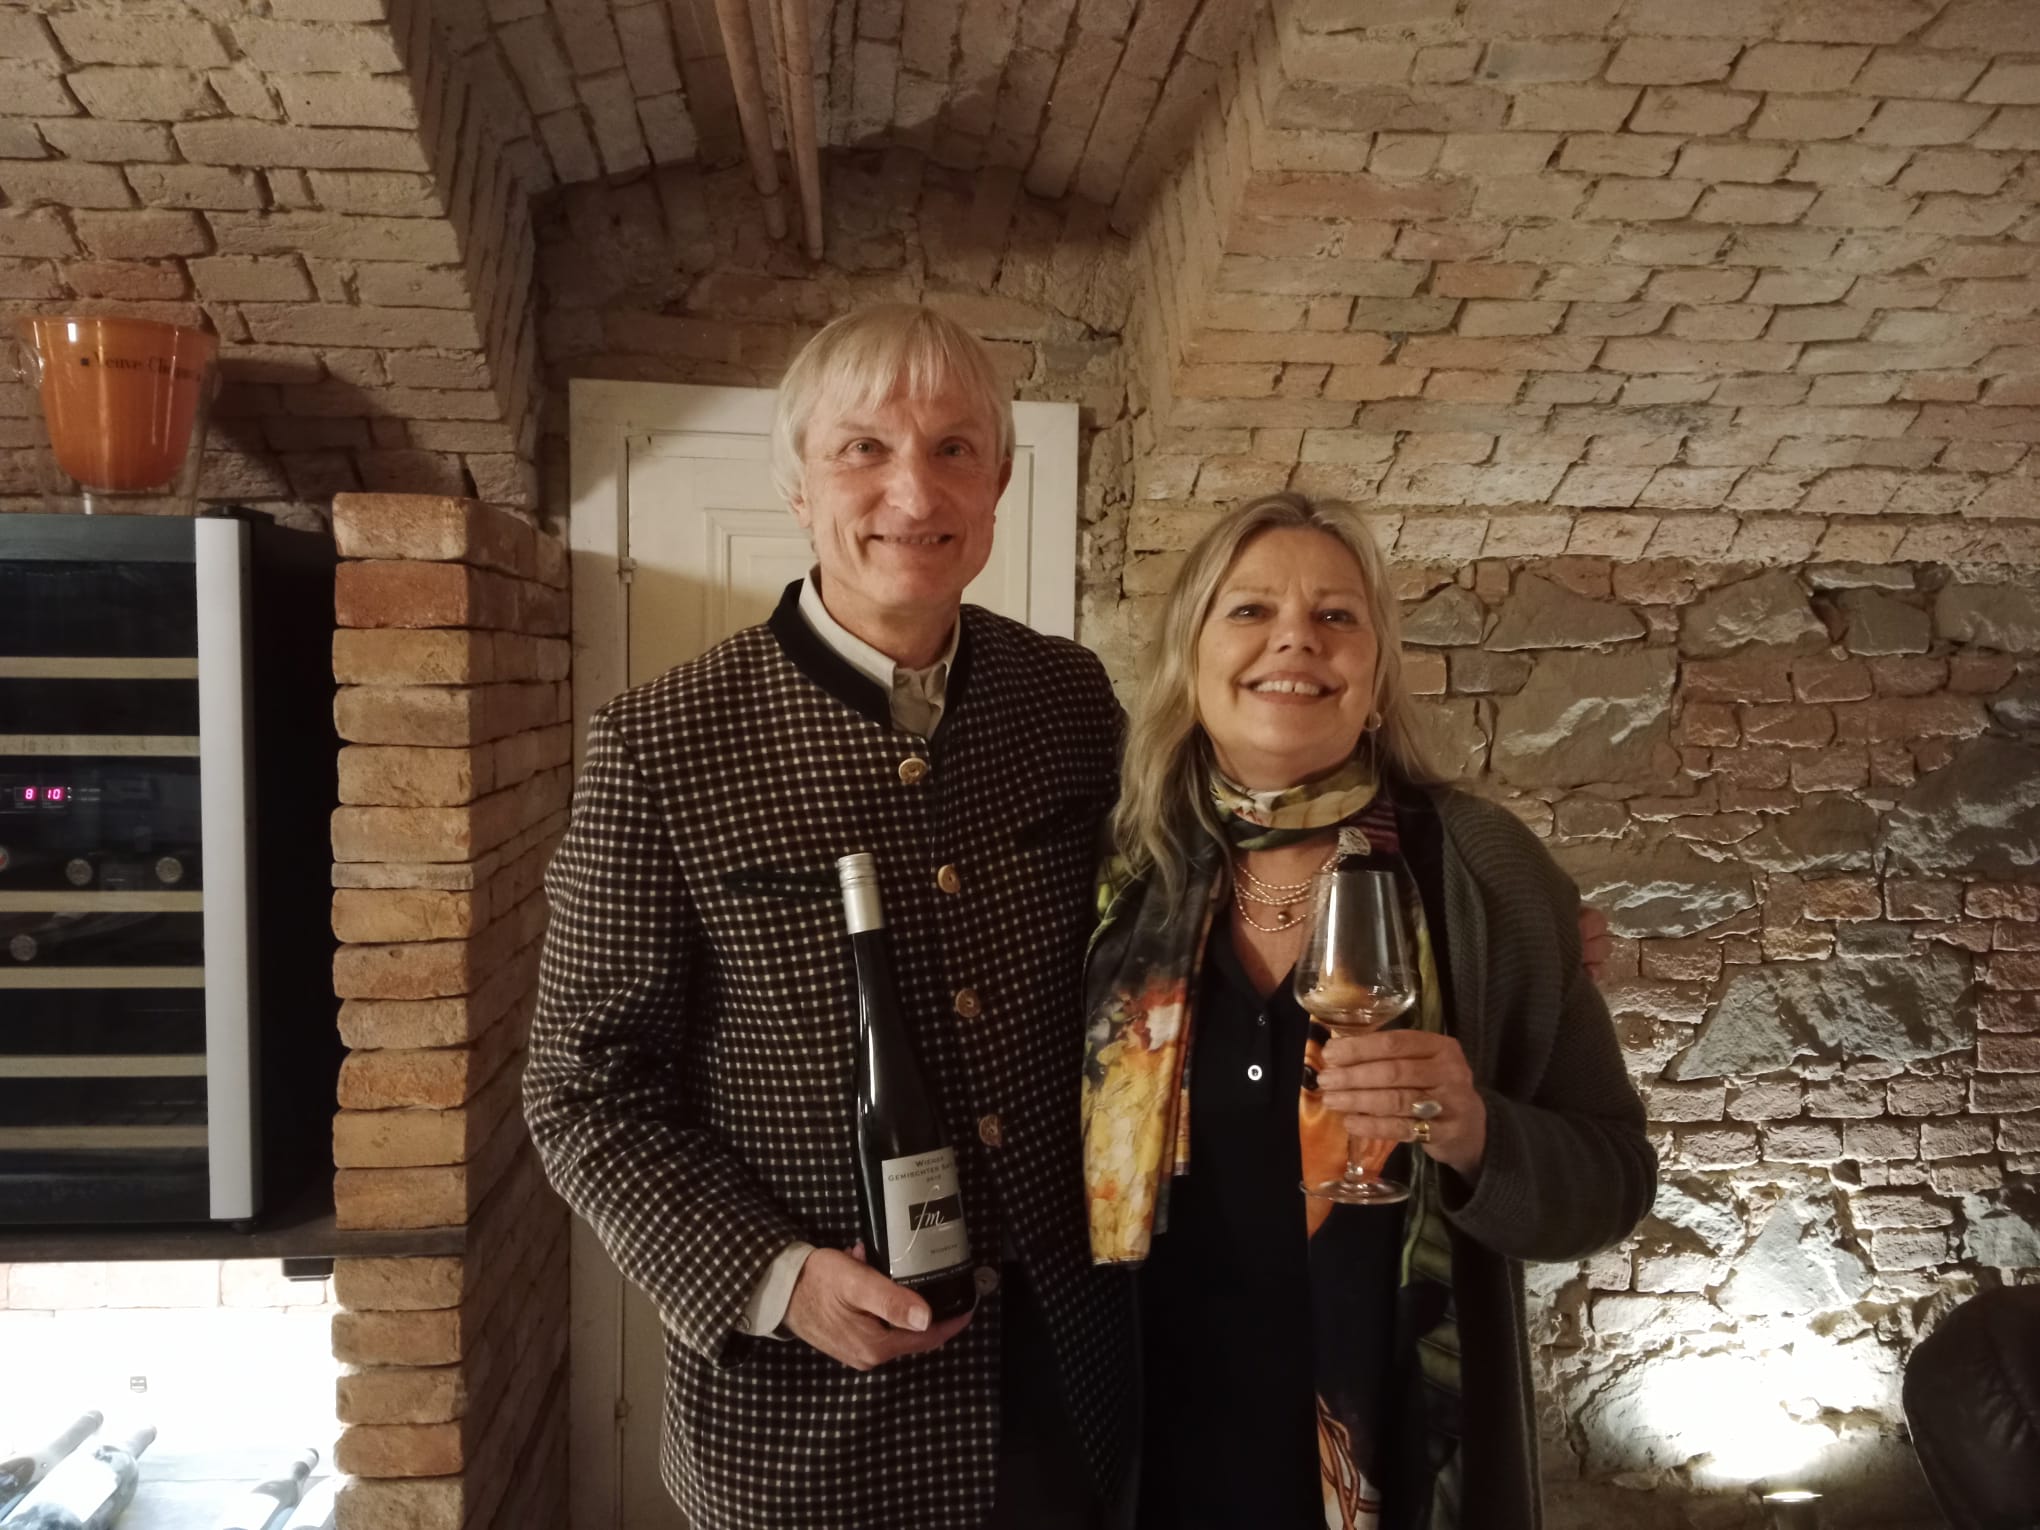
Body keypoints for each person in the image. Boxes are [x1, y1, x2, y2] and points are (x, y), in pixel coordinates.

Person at [524, 305, 1133, 1529]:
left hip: (1067, 1382)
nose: (914, 491)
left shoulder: (1070, 702)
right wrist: (772, 1277)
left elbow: (1160, 938)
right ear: (798, 487)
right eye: (864, 449)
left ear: (1000, 484)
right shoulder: (662, 744)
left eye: (954, 449)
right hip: (808, 1427)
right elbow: (581, 1089)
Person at [1080, 492, 1657, 1530]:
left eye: (1336, 615)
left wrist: (1478, 1133)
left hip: (1397, 1462)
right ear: (1189, 660)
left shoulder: (1480, 869)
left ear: (1378, 676)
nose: (1295, 638)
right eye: (1249, 610)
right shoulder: (1115, 879)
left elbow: (1614, 1178)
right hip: (1143, 1464)